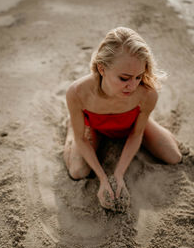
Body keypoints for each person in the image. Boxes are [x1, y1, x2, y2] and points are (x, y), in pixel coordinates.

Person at [64, 27, 182, 209]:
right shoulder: (78, 92)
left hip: (131, 125)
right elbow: (82, 139)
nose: (133, 86)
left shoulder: (147, 94)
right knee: (78, 171)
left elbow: (136, 135)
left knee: (174, 156)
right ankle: (72, 125)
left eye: (138, 77)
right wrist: (103, 178)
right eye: (124, 78)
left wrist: (118, 174)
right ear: (102, 69)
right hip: (94, 126)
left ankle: (149, 121)